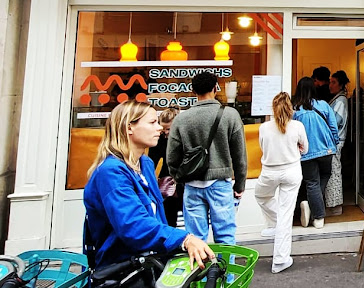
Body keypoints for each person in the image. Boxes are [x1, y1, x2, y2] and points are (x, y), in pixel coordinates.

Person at [84, 100, 214, 275]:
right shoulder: (111, 172)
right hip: (121, 271)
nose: (159, 128)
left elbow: (156, 217)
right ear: (129, 127)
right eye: (152, 122)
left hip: (148, 266)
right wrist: (183, 239)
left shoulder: (145, 163)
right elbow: (133, 224)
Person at [167, 71, 247, 245]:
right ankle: (225, 265)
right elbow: (239, 155)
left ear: (193, 91)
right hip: (220, 183)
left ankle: (200, 264)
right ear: (216, 88)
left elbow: (172, 157)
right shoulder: (230, 115)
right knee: (225, 237)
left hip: (192, 185)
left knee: (196, 240)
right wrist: (240, 184)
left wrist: (179, 177)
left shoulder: (181, 119)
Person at [255, 92, 308, 274]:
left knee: (261, 195)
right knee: (285, 215)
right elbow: (305, 149)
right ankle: (280, 259)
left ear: (273, 107)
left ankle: (274, 225)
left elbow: (263, 147)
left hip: (270, 171)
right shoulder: (297, 126)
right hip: (292, 171)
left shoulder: (264, 128)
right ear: (290, 108)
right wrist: (296, 148)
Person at [293, 76, 339, 229]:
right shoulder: (324, 105)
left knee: (312, 182)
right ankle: (316, 214)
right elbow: (333, 127)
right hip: (326, 149)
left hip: (305, 152)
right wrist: (334, 143)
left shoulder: (295, 109)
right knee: (325, 175)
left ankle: (316, 213)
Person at [148, 107, 183, 227]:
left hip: (183, 182)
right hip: (168, 184)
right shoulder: (160, 140)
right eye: (163, 129)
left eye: (168, 129)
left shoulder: (185, 138)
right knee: (169, 219)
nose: (166, 132)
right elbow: (151, 162)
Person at [324, 70, 349, 215]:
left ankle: (335, 206)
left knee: (334, 173)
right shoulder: (337, 99)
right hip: (334, 142)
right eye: (330, 82)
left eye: (333, 82)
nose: (330, 85)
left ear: (340, 85)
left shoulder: (340, 101)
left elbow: (334, 121)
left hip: (335, 142)